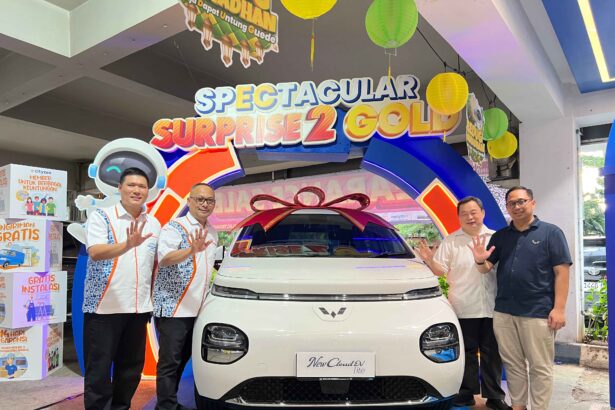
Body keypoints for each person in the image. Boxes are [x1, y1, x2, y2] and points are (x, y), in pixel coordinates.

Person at [471, 186, 572, 410]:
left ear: (532, 203)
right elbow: (486, 268)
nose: (516, 207)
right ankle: (518, 406)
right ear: (507, 207)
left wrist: (559, 309)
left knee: (540, 366)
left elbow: (562, 272)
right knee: (513, 364)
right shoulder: (500, 236)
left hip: (538, 312)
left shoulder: (551, 233)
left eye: (521, 201)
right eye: (511, 203)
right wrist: (479, 260)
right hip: (504, 312)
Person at [417, 196, 510, 410]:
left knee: (492, 354)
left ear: (482, 213)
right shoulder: (451, 241)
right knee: (466, 353)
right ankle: (466, 393)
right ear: (459, 217)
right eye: (464, 214)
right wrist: (429, 260)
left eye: (473, 212)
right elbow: (440, 271)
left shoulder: (496, 238)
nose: (470, 217)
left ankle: (495, 396)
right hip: (463, 305)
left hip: (493, 306)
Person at [83, 167, 161, 410]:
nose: (137, 190)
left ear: (148, 191)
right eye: (131, 185)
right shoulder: (102, 217)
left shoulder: (154, 223)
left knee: (130, 370)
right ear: (120, 188)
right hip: (104, 308)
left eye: (142, 186)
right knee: (99, 371)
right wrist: (127, 245)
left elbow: (155, 264)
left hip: (139, 308)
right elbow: (95, 252)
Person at [153, 182, 218, 410]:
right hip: (174, 306)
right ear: (189, 201)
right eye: (200, 199)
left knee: (182, 359)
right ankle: (166, 406)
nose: (204, 204)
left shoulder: (212, 231)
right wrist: (191, 250)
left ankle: (169, 403)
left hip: (198, 309)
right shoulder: (175, 227)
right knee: (170, 361)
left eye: (209, 200)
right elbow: (165, 258)